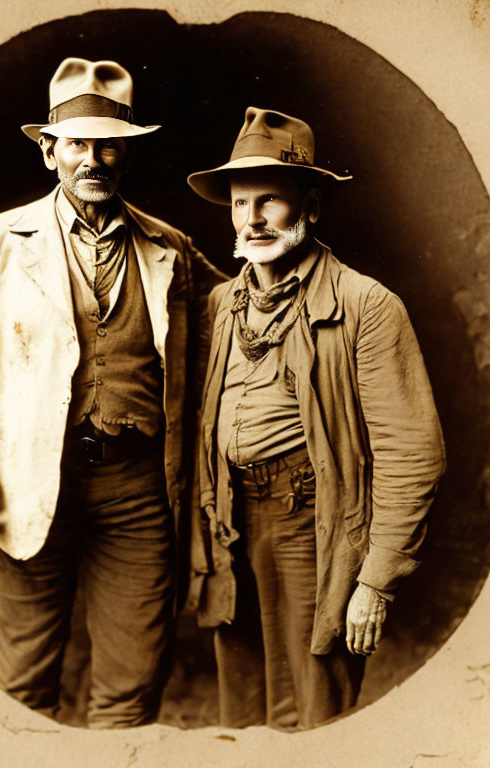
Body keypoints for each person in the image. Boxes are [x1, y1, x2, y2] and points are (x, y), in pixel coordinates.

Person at [0, 57, 223, 728]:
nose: (93, 157)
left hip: (139, 490)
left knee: (133, 681)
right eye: (77, 142)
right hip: (28, 483)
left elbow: (241, 303)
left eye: (108, 142)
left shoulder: (168, 247)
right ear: (49, 152)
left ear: (127, 152)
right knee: (25, 681)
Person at [186, 107, 446, 730]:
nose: (251, 220)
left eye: (268, 201)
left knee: (314, 707)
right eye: (239, 203)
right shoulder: (222, 302)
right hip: (232, 517)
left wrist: (376, 582)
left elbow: (415, 455)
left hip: (315, 518)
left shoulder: (367, 304)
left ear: (311, 207)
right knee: (244, 711)